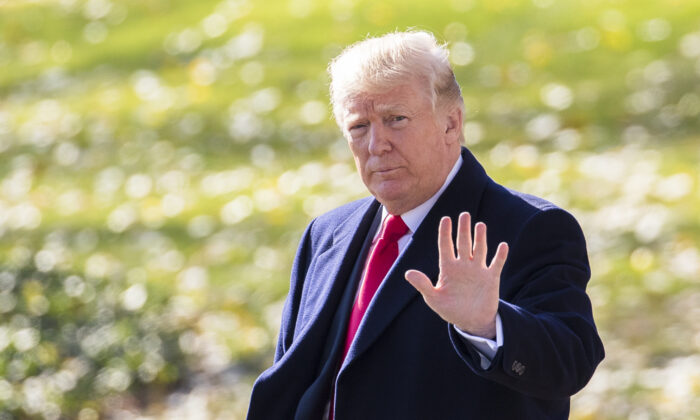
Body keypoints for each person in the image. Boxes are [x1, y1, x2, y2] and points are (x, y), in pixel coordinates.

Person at [247, 30, 604, 419]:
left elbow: (571, 363)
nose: (376, 145)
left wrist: (488, 325)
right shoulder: (326, 234)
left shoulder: (530, 227)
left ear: (452, 124)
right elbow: (293, 379)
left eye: (395, 119)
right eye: (359, 127)